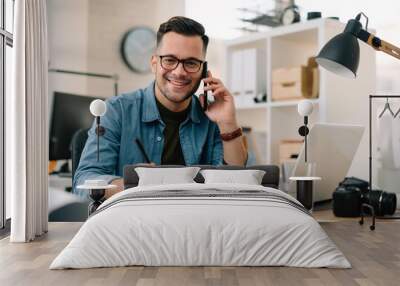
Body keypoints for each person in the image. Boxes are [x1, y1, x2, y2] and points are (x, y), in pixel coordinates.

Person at [74, 16, 247, 199]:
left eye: (191, 63)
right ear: (154, 63)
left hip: (195, 222)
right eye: (170, 60)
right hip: (134, 222)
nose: (179, 72)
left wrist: (228, 123)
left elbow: (235, 186)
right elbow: (85, 183)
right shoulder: (117, 111)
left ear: (203, 70)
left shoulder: (213, 118)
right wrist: (140, 186)